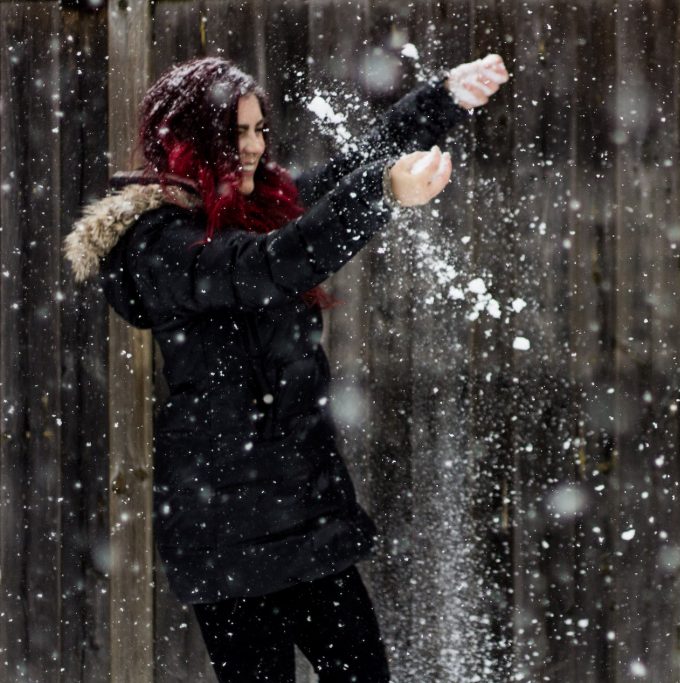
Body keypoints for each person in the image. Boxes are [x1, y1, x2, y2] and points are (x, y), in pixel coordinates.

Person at [64, 53, 509, 682]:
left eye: (258, 131)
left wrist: (441, 101)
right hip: (225, 529)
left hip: (305, 511)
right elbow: (269, 265)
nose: (251, 147)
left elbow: (348, 169)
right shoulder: (156, 241)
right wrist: (382, 194)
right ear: (186, 139)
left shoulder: (261, 205)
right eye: (235, 133)